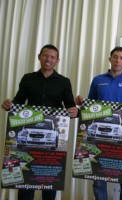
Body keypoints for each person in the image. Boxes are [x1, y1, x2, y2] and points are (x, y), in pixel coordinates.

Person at [1, 44, 78, 200]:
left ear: (57, 60)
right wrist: (9, 105)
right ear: (39, 57)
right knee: (26, 179)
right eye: (45, 55)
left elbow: (70, 107)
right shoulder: (27, 78)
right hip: (28, 135)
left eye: (52, 57)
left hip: (51, 137)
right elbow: (18, 103)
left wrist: (76, 112)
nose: (48, 59)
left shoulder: (64, 82)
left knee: (49, 182)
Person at [75, 46, 122, 200]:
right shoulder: (98, 80)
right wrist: (81, 103)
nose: (118, 60)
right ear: (109, 59)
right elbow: (90, 107)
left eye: (121, 58)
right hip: (98, 135)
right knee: (98, 176)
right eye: (115, 57)